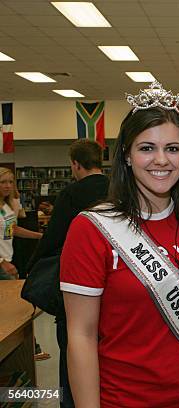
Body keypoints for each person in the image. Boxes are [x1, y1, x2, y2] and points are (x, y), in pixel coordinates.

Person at [60, 82, 179, 407]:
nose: (161, 160)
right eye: (147, 148)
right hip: (125, 400)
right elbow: (81, 336)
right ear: (127, 155)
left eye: (172, 148)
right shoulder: (91, 229)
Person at [26, 139, 109, 408]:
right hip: (112, 287)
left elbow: (52, 240)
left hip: (75, 288)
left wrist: (32, 268)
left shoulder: (71, 195)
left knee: (72, 353)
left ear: (75, 164)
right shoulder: (118, 189)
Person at [0, 167, 42, 280]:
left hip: (8, 258)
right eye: (3, 182)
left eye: (10, 182)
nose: (8, 185)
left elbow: (13, 229)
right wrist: (2, 262)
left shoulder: (5, 205)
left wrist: (40, 236)